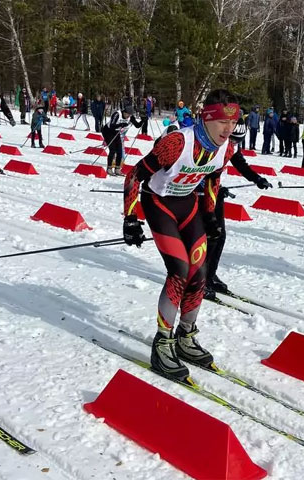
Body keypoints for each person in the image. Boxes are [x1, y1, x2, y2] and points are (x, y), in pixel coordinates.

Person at [122, 88, 240, 380]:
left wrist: (211, 214)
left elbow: (212, 180)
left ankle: (186, 335)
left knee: (200, 273)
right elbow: (135, 175)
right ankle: (162, 343)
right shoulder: (176, 143)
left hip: (189, 205)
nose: (228, 129)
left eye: (234, 122)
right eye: (222, 122)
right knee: (180, 271)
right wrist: (130, 219)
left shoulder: (226, 149)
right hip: (159, 204)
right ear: (206, 118)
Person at [200, 118, 273, 300]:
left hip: (214, 192)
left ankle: (210, 275)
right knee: (209, 236)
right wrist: (207, 186)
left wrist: (257, 179)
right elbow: (197, 171)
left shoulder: (230, 146)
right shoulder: (209, 144)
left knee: (220, 235)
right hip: (198, 194)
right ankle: (199, 280)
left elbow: (240, 163)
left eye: (238, 141)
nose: (233, 144)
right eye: (232, 140)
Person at [102, 105, 142, 176]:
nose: (128, 116)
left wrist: (143, 121)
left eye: (129, 115)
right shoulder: (117, 114)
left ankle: (117, 169)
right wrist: (121, 124)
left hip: (116, 132)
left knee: (120, 150)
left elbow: (137, 125)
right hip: (108, 131)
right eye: (127, 114)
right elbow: (112, 125)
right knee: (113, 150)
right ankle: (109, 169)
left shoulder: (130, 117)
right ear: (124, 112)